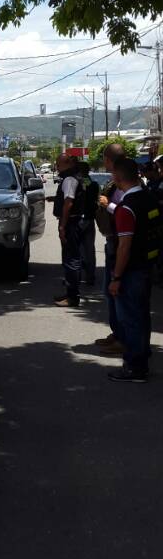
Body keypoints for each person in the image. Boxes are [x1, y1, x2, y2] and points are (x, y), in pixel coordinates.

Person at [106, 156, 160, 382]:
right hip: (147, 264)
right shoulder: (149, 198)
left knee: (130, 319)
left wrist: (116, 277)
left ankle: (135, 367)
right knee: (141, 316)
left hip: (131, 270)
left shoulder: (126, 208)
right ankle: (141, 359)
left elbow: (125, 246)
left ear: (117, 177)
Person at [94, 142, 127, 352]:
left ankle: (123, 339)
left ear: (108, 160)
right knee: (110, 293)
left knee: (117, 292)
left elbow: (127, 215)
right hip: (112, 243)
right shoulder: (116, 184)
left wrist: (109, 205)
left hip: (119, 244)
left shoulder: (126, 185)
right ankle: (117, 334)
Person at [52, 153, 85, 307]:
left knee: (71, 260)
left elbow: (68, 203)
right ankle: (70, 293)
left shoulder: (70, 179)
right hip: (74, 221)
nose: (57, 168)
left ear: (66, 164)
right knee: (71, 258)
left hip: (71, 223)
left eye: (58, 165)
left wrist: (62, 226)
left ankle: (73, 297)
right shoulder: (74, 176)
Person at [77, 161, 98, 286]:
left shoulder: (83, 183)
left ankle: (78, 277)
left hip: (81, 219)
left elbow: (85, 191)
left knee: (78, 250)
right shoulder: (92, 184)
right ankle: (90, 276)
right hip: (89, 219)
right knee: (89, 250)